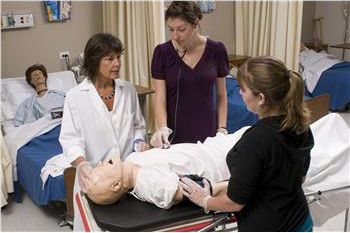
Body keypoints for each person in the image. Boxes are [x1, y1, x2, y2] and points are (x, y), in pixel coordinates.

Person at [180, 56, 315, 231]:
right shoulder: (301, 126)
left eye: (243, 89)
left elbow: (234, 203)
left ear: (260, 98)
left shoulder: (256, 140)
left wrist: (205, 200)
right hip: (301, 222)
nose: (241, 93)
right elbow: (298, 178)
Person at [59, 32, 149, 190]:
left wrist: (139, 141)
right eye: (110, 59)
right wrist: (82, 164)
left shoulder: (128, 89)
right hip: (95, 177)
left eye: (118, 57)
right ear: (94, 61)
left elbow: (138, 125)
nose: (117, 64)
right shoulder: (75, 97)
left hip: (128, 171)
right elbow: (70, 140)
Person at [80, 127, 248, 208]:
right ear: (116, 185)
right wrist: (224, 186)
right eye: (98, 172)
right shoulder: (146, 183)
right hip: (221, 161)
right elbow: (179, 192)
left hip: (212, 147)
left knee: (260, 130)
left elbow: (159, 161)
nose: (99, 163)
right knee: (266, 135)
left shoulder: (130, 161)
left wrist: (154, 145)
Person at [150, 1, 230, 148]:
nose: (175, 36)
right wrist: (162, 128)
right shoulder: (162, 52)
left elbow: (221, 95)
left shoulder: (217, 49)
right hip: (174, 135)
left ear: (195, 23)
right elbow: (160, 98)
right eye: (171, 30)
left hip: (207, 132)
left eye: (181, 29)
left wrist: (222, 128)